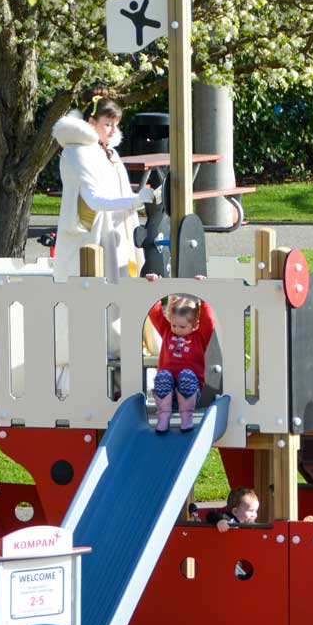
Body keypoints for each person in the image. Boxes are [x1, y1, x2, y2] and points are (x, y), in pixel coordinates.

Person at [51, 87, 157, 283]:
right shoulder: (77, 152)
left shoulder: (109, 152)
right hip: (92, 237)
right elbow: (94, 200)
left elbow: (119, 193)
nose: (113, 130)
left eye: (115, 124)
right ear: (91, 123)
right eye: (107, 124)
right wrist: (136, 199)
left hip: (117, 232)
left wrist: (138, 200)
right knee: (95, 297)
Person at [146, 293, 216, 433]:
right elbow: (154, 313)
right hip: (167, 395)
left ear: (195, 324)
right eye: (174, 325)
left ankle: (186, 417)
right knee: (163, 375)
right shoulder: (167, 332)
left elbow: (208, 320)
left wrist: (203, 294)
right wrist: (154, 287)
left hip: (190, 392)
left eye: (182, 327)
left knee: (186, 375)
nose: (177, 330)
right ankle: (164, 417)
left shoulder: (200, 337)